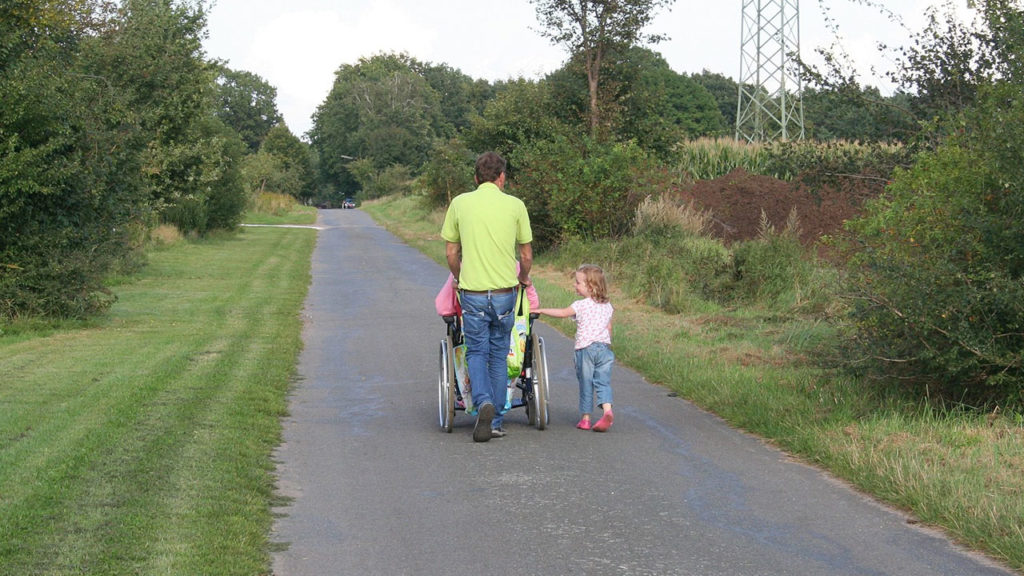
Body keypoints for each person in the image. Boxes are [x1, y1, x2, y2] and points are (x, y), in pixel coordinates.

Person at [440, 152, 533, 442]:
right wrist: (522, 278)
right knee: (497, 353)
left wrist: (458, 277)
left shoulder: (460, 203)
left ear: (476, 177)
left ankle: (482, 403)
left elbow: (451, 252)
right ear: (502, 177)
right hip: (506, 292)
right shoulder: (516, 205)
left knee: (476, 351)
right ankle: (496, 420)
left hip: (473, 292)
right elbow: (526, 255)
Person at [534, 264, 615, 432]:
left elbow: (563, 313)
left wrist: (541, 310)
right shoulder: (608, 306)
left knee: (586, 383)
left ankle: (586, 419)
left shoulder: (581, 305)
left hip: (585, 349)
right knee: (603, 382)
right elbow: (609, 328)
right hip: (604, 349)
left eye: (578, 282)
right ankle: (607, 410)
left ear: (590, 286)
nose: (574, 285)